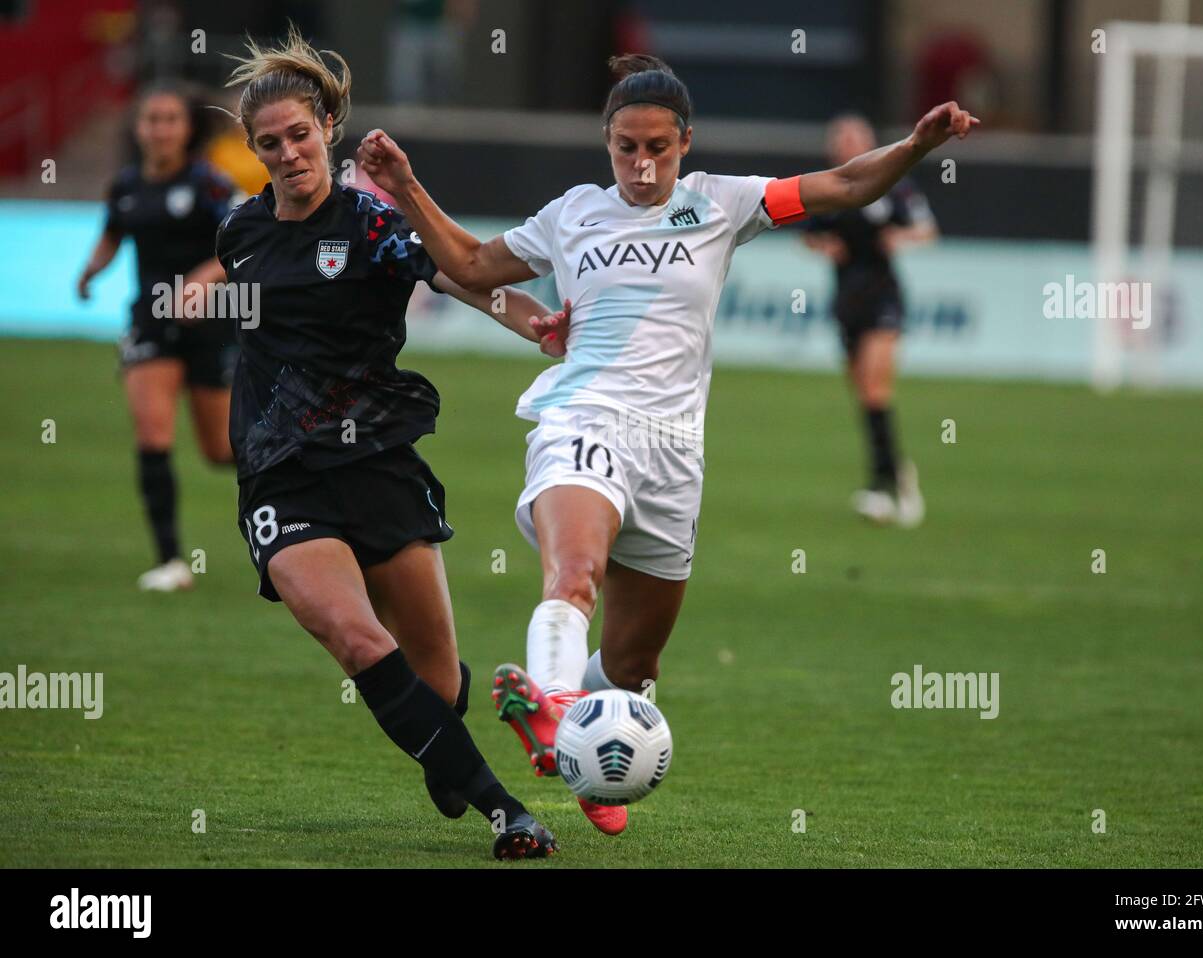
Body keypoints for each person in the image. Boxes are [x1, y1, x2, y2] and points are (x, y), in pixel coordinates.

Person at [357, 54, 977, 837]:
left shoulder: (722, 203)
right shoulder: (574, 213)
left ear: (685, 141)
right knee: (573, 576)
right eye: (625, 147)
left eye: (657, 147)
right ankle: (550, 707)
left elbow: (845, 185)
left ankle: (585, 744)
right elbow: (474, 264)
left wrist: (915, 145)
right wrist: (407, 188)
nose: (641, 166)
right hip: (584, 416)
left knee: (634, 666)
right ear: (606, 142)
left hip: (675, 452)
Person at [220, 25, 569, 859]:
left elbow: (462, 277)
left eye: (299, 135)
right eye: (269, 144)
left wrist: (538, 326)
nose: (288, 153)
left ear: (327, 128)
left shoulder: (372, 223)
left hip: (377, 460)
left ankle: (445, 752)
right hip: (281, 478)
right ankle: (506, 811)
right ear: (255, 151)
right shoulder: (240, 236)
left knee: (439, 681)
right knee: (358, 641)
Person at [77, 84, 236, 592]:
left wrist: (201, 280)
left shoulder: (210, 184)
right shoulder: (125, 186)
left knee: (220, 450)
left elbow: (240, 245)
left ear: (187, 129)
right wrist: (89, 272)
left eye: (170, 119)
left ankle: (304, 501)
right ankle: (170, 562)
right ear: (139, 127)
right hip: (149, 321)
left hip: (211, 324)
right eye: (152, 119)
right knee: (153, 435)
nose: (160, 128)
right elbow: (112, 234)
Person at [803, 113, 938, 526]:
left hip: (884, 296)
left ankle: (880, 486)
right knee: (865, 396)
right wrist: (822, 245)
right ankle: (897, 472)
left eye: (854, 137)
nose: (847, 144)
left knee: (877, 387)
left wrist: (901, 237)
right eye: (841, 138)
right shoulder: (827, 188)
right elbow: (808, 232)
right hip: (847, 298)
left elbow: (927, 229)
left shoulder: (891, 184)